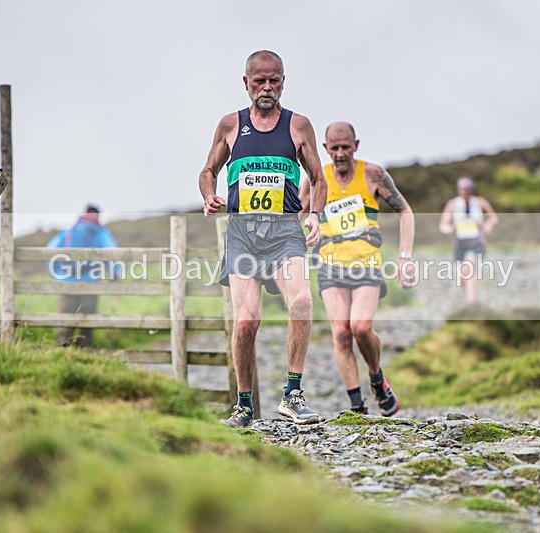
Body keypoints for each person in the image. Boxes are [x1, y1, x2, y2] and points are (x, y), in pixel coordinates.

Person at [199, 50, 326, 428]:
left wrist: (315, 214)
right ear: (246, 83)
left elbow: (319, 178)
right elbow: (208, 170)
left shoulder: (298, 126)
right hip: (242, 233)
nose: (267, 88)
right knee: (246, 322)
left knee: (302, 301)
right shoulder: (230, 125)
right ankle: (244, 405)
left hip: (286, 230)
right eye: (260, 81)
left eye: (274, 80)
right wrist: (209, 195)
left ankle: (293, 394)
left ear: (283, 82)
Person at [299, 122, 414, 416]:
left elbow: (405, 212)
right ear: (325, 149)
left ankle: (377, 378)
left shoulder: (373, 174)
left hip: (366, 264)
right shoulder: (316, 179)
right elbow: (297, 216)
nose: (340, 154)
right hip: (330, 264)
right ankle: (357, 408)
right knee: (340, 333)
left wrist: (405, 257)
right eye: (334, 148)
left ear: (356, 146)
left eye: (345, 147)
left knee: (361, 328)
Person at [46, 205, 120, 347]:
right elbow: (111, 252)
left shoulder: (69, 231)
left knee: (66, 314)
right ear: (98, 216)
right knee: (88, 316)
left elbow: (51, 249)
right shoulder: (100, 232)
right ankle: (84, 348)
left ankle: (62, 344)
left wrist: (55, 272)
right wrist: (114, 273)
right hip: (90, 281)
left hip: (66, 280)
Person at [438, 177, 498, 305]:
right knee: (461, 277)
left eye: (467, 190)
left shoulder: (480, 202)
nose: (465, 192)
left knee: (469, 269)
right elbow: (443, 224)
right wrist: (449, 229)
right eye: (462, 190)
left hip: (476, 242)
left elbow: (493, 217)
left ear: (471, 190)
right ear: (459, 190)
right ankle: (470, 300)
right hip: (460, 243)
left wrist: (488, 225)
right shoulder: (452, 204)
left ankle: (472, 302)